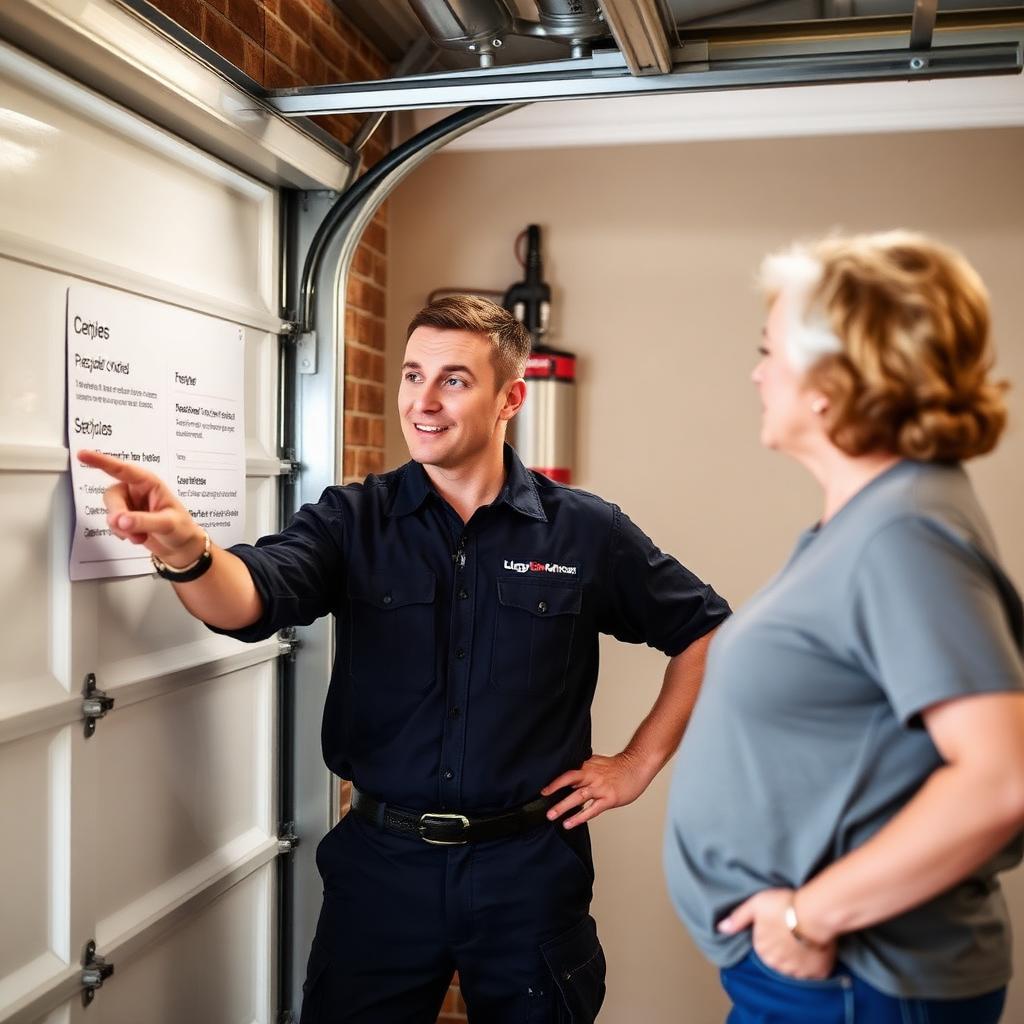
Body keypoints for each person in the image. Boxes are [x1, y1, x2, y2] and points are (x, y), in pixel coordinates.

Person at [79, 294, 730, 1023]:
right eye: (413, 375)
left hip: (528, 871)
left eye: (453, 379)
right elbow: (249, 598)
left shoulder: (585, 533)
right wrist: (183, 549)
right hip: (381, 869)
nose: (423, 400)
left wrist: (638, 763)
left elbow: (707, 632)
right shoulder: (351, 519)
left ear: (510, 397)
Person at [664, 231, 1024, 1023]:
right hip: (821, 978)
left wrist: (806, 919)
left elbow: (1001, 779)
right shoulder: (873, 521)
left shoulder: (904, 533)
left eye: (770, 350)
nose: (758, 373)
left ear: (833, 379)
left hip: (854, 979)